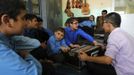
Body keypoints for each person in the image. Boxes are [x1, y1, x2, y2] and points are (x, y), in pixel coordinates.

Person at [0, 0, 42, 75]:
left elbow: (36, 43)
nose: (26, 23)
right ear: (7, 21)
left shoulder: (10, 38)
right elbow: (33, 73)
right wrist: (26, 55)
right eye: (23, 18)